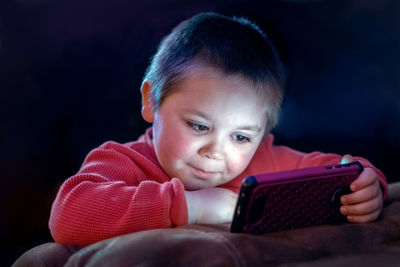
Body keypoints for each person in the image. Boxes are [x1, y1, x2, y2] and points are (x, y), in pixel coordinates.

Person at [49, 12, 388, 246]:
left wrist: (367, 183)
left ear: (262, 133)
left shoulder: (265, 159)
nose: (216, 151)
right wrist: (190, 207)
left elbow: (342, 170)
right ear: (151, 101)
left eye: (240, 136)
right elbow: (67, 215)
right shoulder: (122, 162)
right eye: (199, 125)